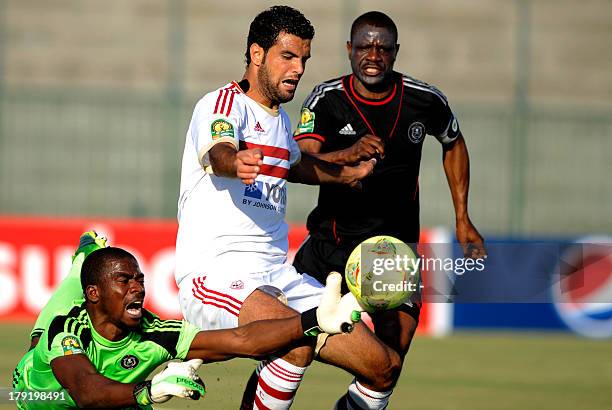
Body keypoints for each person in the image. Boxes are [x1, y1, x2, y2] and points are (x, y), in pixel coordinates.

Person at [175, 6, 404, 410]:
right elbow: (219, 152)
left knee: (383, 366)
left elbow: (297, 165)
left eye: (304, 59)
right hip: (217, 275)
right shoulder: (221, 104)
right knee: (293, 344)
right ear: (257, 54)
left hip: (280, 277)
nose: (298, 69)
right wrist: (236, 162)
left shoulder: (279, 120)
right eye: (288, 56)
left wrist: (347, 170)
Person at [292, 10, 487, 406]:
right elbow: (300, 159)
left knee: (389, 366)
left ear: (396, 52)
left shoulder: (425, 99)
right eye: (365, 45)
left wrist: (462, 218)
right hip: (330, 249)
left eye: (383, 47)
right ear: (350, 49)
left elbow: (454, 142)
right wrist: (348, 153)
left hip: (392, 254)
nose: (373, 55)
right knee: (287, 348)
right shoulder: (326, 99)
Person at [12, 246, 361, 409]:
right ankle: (84, 258)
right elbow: (86, 390)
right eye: (124, 280)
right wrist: (146, 391)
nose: (137, 287)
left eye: (140, 279)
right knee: (45, 331)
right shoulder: (68, 329)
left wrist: (312, 320)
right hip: (33, 395)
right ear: (96, 292)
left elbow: (242, 340)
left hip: (108, 396)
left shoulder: (156, 332)